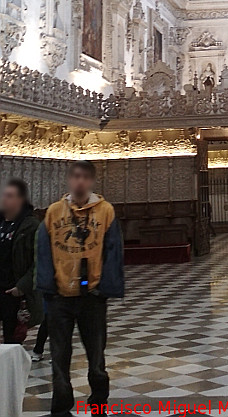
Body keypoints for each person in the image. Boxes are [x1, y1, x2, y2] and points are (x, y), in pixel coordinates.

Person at [36, 160, 124, 417]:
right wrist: (47, 288)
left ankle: (98, 406)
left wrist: (104, 289)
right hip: (60, 298)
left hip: (92, 298)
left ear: (92, 181)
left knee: (96, 359)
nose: (80, 182)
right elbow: (42, 252)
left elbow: (113, 251)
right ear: (68, 180)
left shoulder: (106, 211)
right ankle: (61, 409)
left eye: (85, 177)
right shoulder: (53, 212)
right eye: (75, 177)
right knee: (59, 358)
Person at [0, 178, 42, 342]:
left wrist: (23, 286)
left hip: (14, 291)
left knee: (12, 339)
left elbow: (39, 261)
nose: (4, 199)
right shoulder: (2, 222)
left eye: (9, 195)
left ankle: (12, 367)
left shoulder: (31, 226)